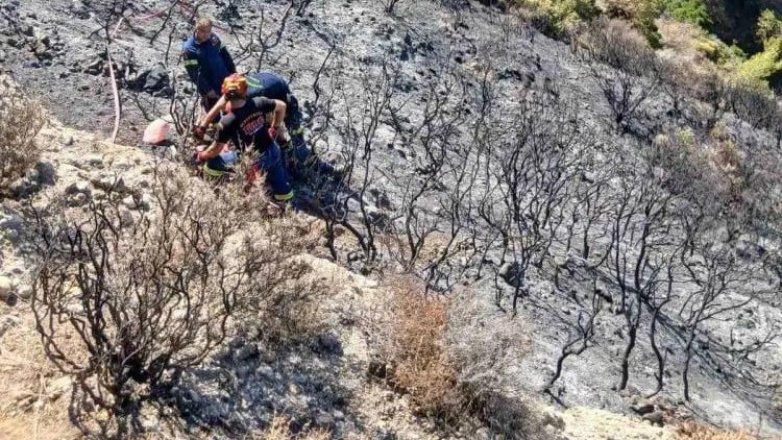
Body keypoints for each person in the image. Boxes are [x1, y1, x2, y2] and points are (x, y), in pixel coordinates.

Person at [194, 71, 333, 178]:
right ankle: (281, 155)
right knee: (263, 132)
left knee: (290, 137)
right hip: (270, 81)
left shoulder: (254, 100)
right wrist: (203, 125)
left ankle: (306, 164)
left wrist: (275, 128)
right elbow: (220, 106)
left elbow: (278, 110)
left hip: (280, 94)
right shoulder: (235, 91)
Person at [193, 74, 295, 205]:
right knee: (282, 189)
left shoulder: (228, 122)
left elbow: (215, 150)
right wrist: (274, 128)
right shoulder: (259, 102)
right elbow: (281, 106)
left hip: (253, 161)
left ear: (224, 92)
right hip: (272, 150)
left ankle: (212, 187)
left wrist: (202, 156)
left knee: (213, 162)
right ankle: (286, 202)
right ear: (245, 91)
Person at [181, 17, 237, 121]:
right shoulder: (189, 49)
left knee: (232, 110)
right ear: (196, 28)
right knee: (214, 116)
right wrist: (208, 90)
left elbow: (225, 55)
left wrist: (233, 73)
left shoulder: (213, 39)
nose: (206, 35)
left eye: (208, 31)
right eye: (203, 31)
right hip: (210, 87)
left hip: (225, 81)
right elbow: (194, 73)